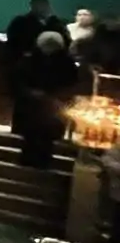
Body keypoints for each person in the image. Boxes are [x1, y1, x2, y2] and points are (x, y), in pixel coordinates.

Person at [13, 31, 80, 167]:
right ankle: (30, 159)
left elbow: (71, 83)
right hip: (34, 103)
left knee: (46, 135)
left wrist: (57, 96)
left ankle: (40, 160)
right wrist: (30, 92)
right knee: (32, 134)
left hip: (52, 104)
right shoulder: (31, 59)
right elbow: (19, 80)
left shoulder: (65, 62)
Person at [7, 0, 66, 65]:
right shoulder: (20, 22)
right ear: (32, 7)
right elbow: (13, 43)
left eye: (45, 5)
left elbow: (65, 40)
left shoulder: (56, 23)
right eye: (40, 5)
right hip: (29, 62)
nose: (45, 8)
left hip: (55, 61)